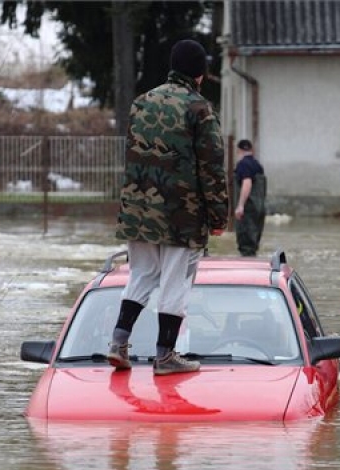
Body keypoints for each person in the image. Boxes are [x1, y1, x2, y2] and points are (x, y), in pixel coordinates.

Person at [107, 39, 229, 376]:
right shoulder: (198, 108)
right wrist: (218, 216)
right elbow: (212, 168)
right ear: (200, 73)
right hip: (181, 213)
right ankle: (165, 356)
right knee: (176, 282)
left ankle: (118, 343)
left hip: (138, 207)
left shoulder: (140, 102)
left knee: (142, 274)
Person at [233, 139, 267, 256]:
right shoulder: (257, 165)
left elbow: (247, 182)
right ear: (252, 150)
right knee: (253, 244)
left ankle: (246, 271)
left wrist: (240, 205)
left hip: (248, 209)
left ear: (238, 150)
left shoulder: (243, 164)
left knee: (246, 244)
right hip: (259, 208)